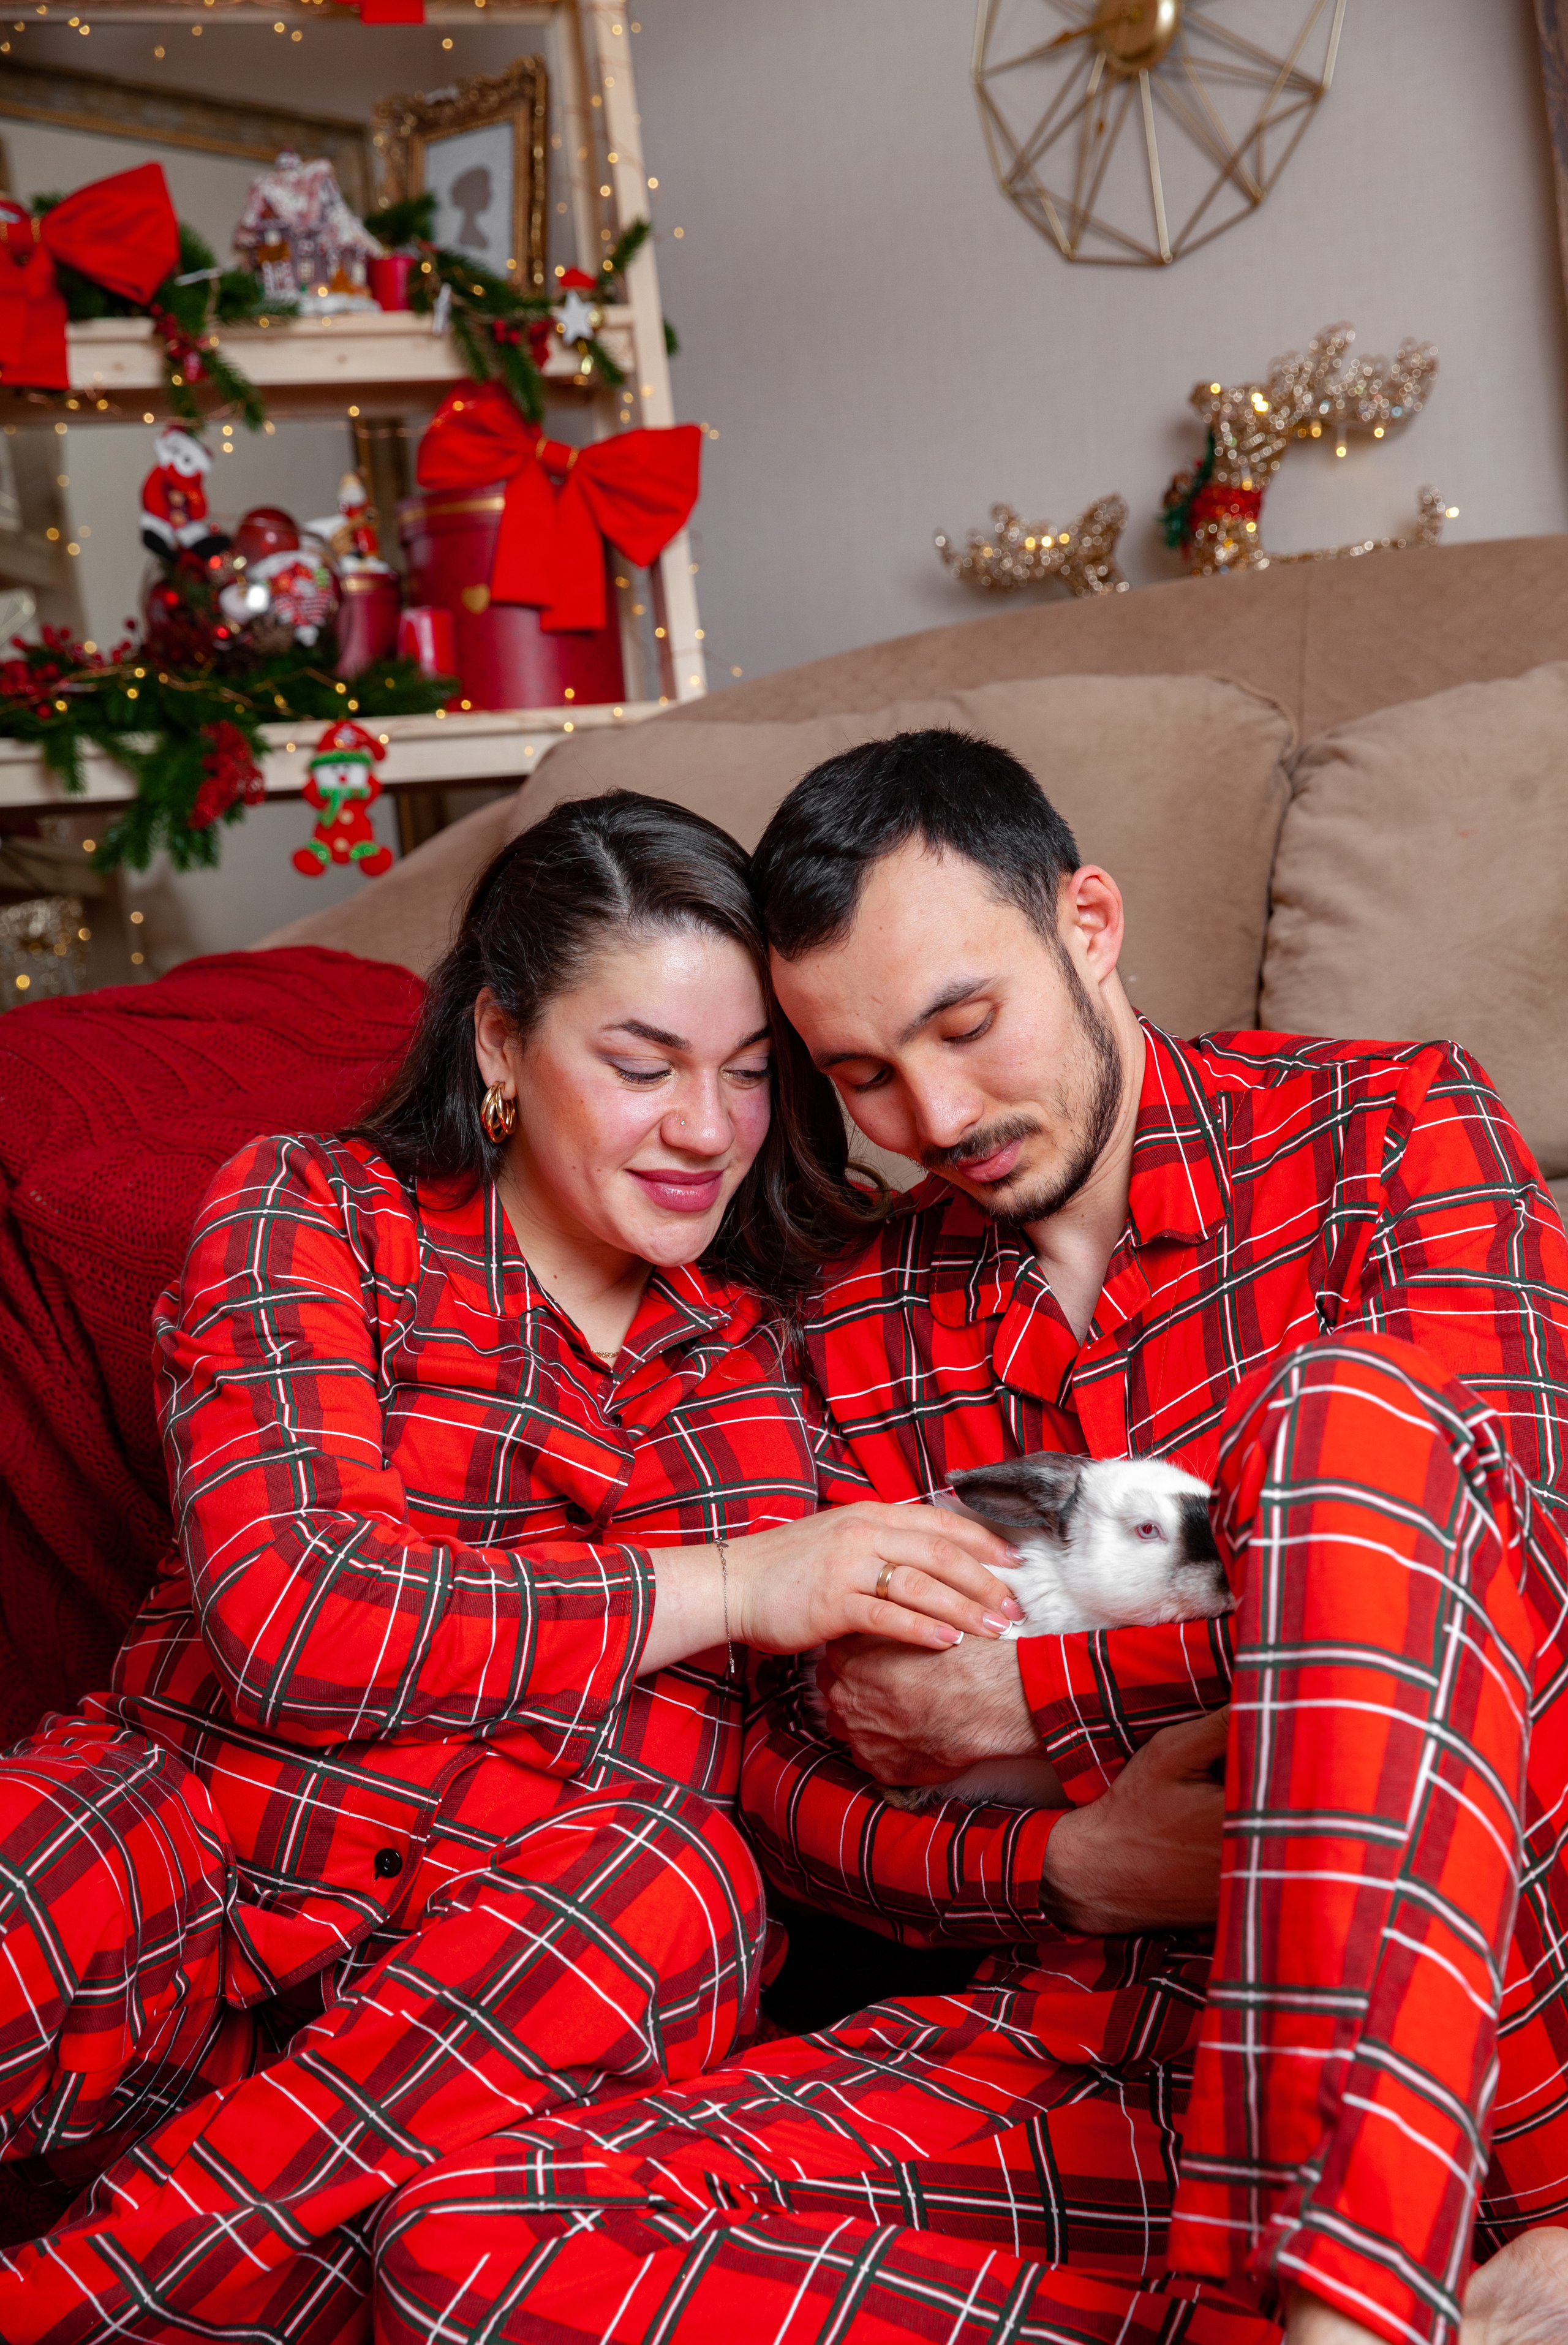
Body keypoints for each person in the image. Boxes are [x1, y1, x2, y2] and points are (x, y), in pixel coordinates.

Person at [374, 734, 1568, 2345]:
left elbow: (1511, 1548)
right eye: (860, 1073)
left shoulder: (1389, 1128)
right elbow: (794, 1781)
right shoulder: (860, 1325)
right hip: (1119, 2048)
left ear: (1087, 921)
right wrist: (1067, 1859)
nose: (932, 1112)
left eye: (963, 1024)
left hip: (1509, 1997)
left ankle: (1348, 2308)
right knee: (473, 2239)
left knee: (1352, 1414)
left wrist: (1037, 1696)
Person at [0, 789, 1027, 2343]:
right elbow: (293, 1613)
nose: (704, 1131)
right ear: (495, 1045)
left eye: (750, 1077)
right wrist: (736, 1585)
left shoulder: (786, 1355)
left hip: (519, 1981)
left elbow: (829, 1744)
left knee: (672, 1883)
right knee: (55, 1843)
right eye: (641, 1065)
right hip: (196, 1844)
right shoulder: (315, 1213)